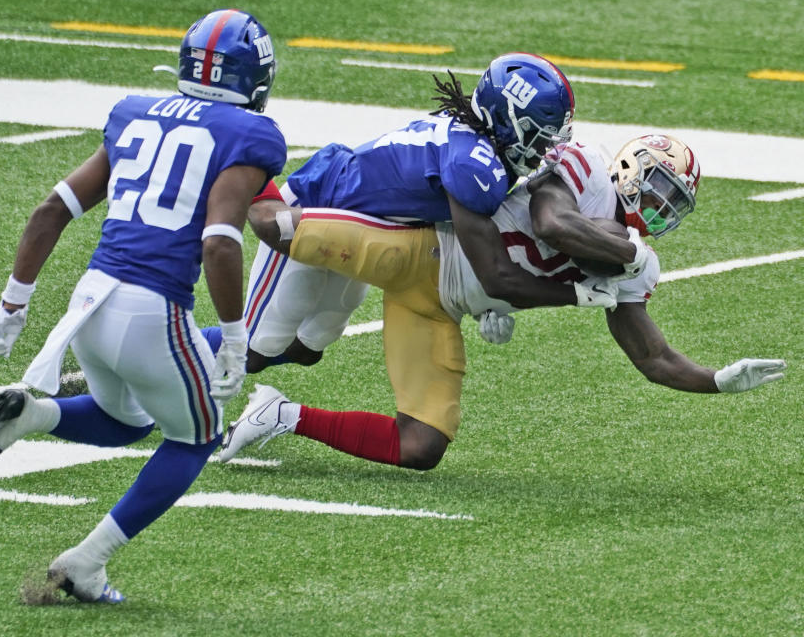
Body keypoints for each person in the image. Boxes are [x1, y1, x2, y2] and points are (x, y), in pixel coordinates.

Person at [0, 9, 286, 603]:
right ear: (255, 78)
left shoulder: (135, 113)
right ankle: (87, 562)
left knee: (126, 420)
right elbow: (218, 242)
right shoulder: (251, 135)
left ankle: (33, 415)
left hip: (89, 306)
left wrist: (13, 305)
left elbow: (48, 212)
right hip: (151, 311)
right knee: (194, 438)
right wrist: (235, 338)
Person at [218, 134, 786, 470]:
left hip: (437, 307)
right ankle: (240, 159)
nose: (662, 210)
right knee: (279, 236)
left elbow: (653, 357)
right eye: (660, 188)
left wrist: (714, 380)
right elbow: (552, 223)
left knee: (422, 445)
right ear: (629, 167)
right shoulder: (584, 171)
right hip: (416, 248)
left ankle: (280, 414)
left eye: (674, 204)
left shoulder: (633, 260)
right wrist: (617, 259)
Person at [203, 53, 649, 374]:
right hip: (312, 212)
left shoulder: (484, 154)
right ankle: (167, 362)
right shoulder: (475, 164)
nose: (547, 149)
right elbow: (495, 274)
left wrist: (485, 307)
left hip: (361, 228)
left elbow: (459, 235)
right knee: (258, 346)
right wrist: (569, 294)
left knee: (309, 348)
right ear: (508, 118)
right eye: (539, 134)